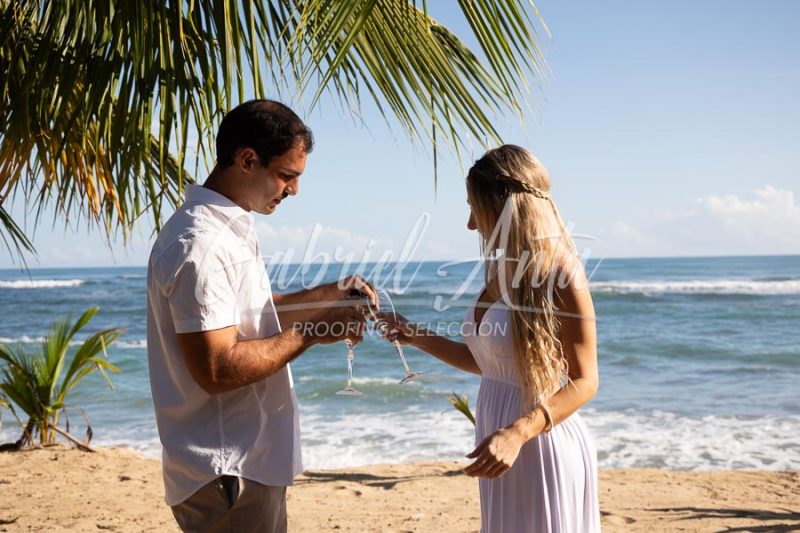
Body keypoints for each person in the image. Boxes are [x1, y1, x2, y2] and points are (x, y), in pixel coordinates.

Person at [146, 99, 376, 533]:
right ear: (247, 160)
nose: (293, 190)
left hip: (239, 465)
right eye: (287, 176)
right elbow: (217, 367)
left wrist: (328, 296)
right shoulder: (202, 244)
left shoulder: (223, 228)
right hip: (227, 470)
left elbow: (248, 314)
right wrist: (311, 330)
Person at [384, 145, 601, 532]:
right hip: (499, 444)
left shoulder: (562, 273)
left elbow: (586, 381)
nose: (469, 224)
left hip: (540, 443)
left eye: (474, 206)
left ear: (504, 206)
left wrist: (520, 432)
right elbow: (489, 364)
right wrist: (414, 335)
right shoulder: (500, 270)